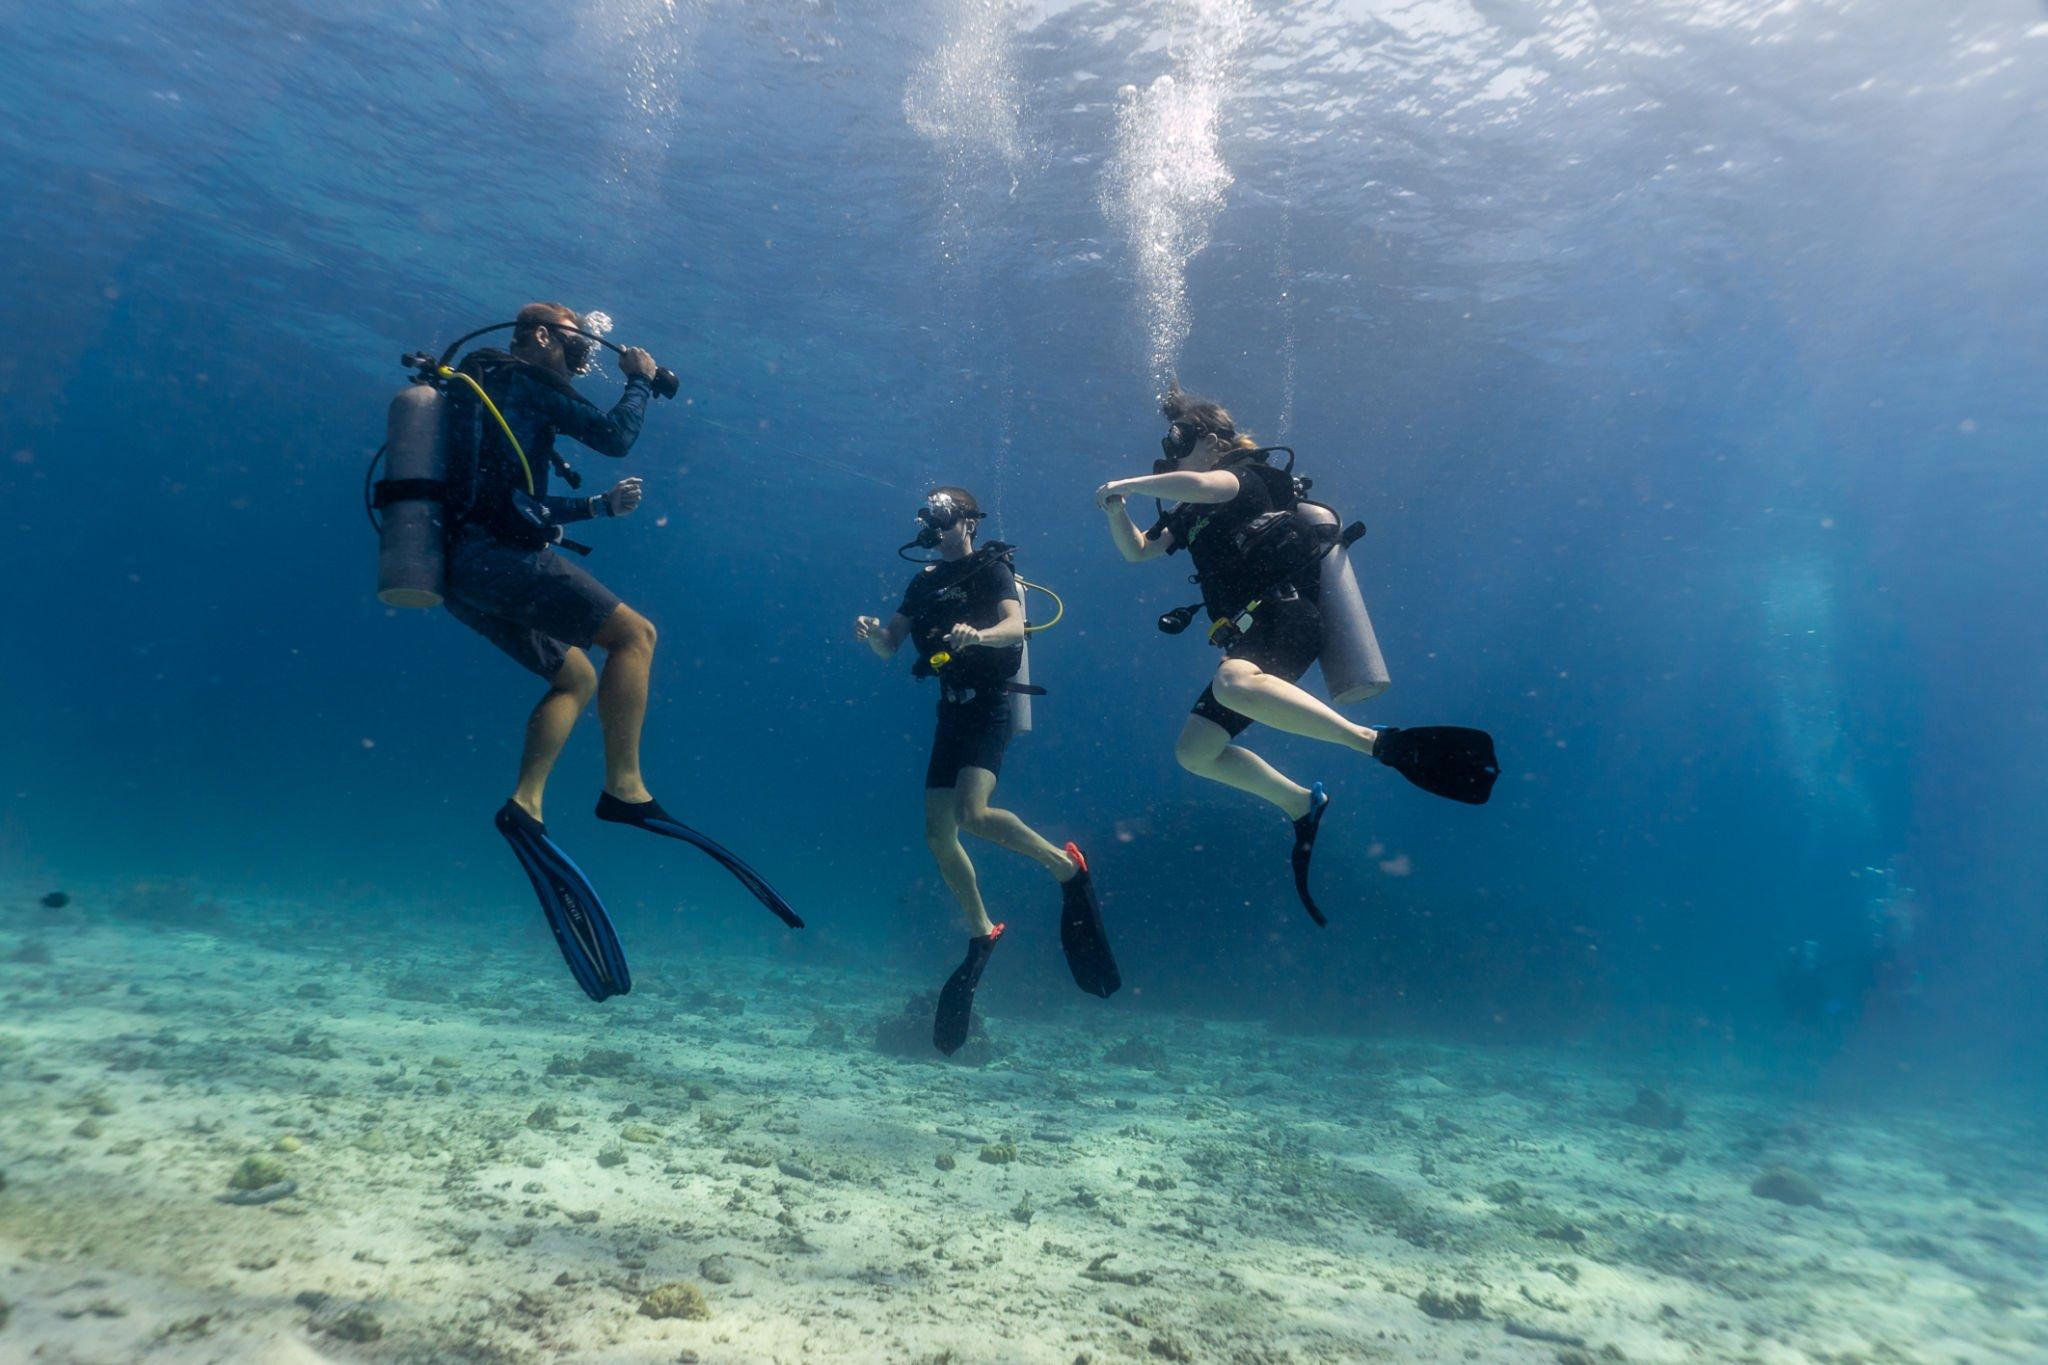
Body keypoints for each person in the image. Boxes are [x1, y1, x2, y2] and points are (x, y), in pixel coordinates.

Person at [442, 302, 801, 1003]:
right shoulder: (523, 377)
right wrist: (637, 379)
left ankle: (526, 803)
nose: (586, 357)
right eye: (578, 343)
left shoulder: (482, 386)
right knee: (635, 635)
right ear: (543, 335)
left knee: (573, 674)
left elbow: (510, 498)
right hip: (494, 561)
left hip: (455, 571)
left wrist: (597, 510)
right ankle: (624, 789)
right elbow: (612, 434)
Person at [1092, 387, 1498, 923]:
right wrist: (1116, 508)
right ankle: (1299, 803)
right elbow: (1137, 550)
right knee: (1195, 752)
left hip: (1288, 616)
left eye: (1180, 438)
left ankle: (1379, 744)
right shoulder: (1188, 512)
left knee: (1232, 683)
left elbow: (1204, 484)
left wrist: (1128, 483)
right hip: (1249, 631)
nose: (1172, 449)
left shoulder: (1248, 476)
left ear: (1213, 441)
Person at [854, 487, 1118, 1055]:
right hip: (951, 706)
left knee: (972, 814)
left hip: (991, 699)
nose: (931, 518)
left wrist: (978, 634)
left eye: (942, 510)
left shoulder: (993, 568)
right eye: (926, 510)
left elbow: (1014, 629)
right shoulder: (923, 581)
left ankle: (1065, 867)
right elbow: (889, 646)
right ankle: (981, 929)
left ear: (967, 520)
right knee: (936, 832)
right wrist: (873, 634)